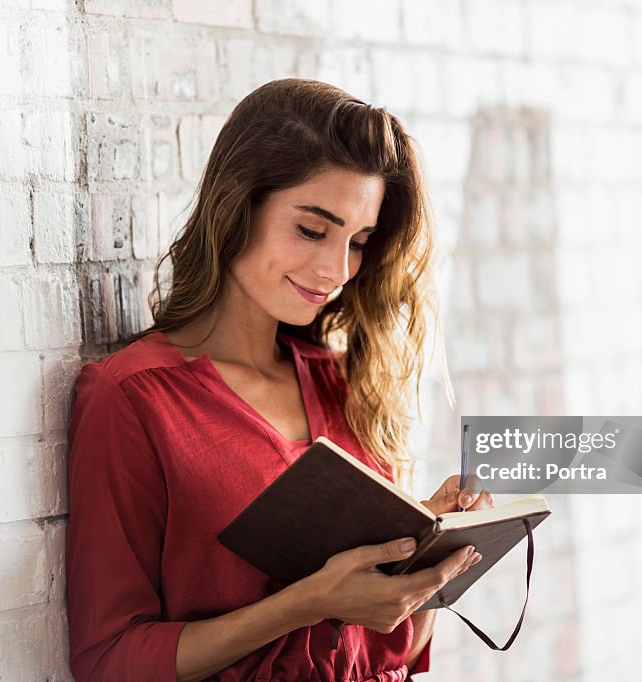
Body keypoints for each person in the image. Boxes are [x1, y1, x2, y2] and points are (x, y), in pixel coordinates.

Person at [65, 78, 493, 682]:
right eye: (313, 230)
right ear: (239, 207)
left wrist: (424, 560)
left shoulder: (348, 386)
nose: (335, 268)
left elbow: (389, 655)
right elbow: (107, 662)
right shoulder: (134, 399)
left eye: (359, 242)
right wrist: (310, 601)